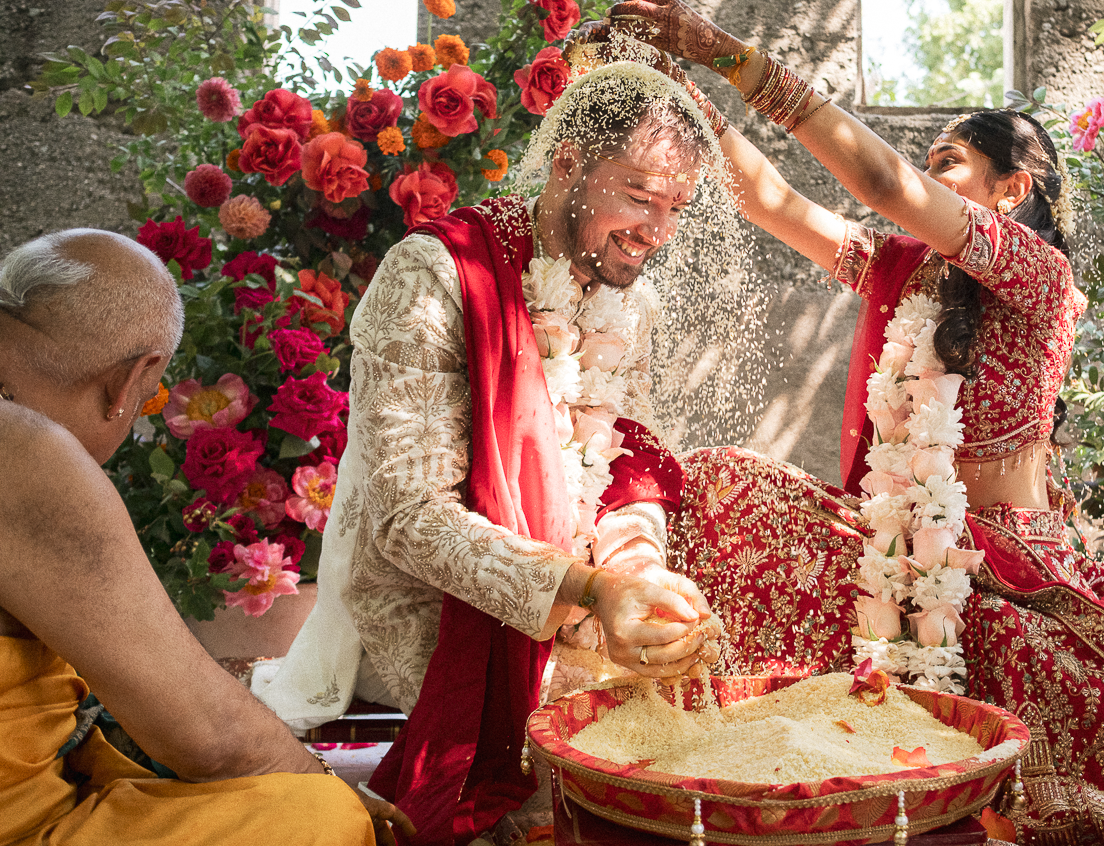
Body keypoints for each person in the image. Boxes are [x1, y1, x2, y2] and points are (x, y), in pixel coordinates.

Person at [601, 0, 1104, 843]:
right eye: (928, 165)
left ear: (1011, 190)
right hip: (897, 548)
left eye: (948, 163)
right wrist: (676, 94)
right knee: (723, 482)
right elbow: (770, 201)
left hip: (1007, 565)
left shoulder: (1039, 277)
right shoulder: (907, 274)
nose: (924, 181)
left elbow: (882, 183)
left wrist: (728, 53)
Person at [260, 62, 727, 845]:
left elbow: (626, 467)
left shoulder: (631, 300)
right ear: (569, 162)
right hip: (430, 607)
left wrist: (638, 570)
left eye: (677, 207)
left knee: (683, 749)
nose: (659, 231)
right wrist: (591, 589)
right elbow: (409, 520)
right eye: (641, 196)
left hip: (579, 590)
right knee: (590, 784)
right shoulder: (435, 273)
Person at [0, 230, 386, 845]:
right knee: (321, 816)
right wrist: (325, 784)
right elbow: (209, 739)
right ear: (129, 382)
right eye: (147, 398)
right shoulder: (26, 452)